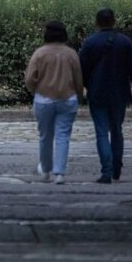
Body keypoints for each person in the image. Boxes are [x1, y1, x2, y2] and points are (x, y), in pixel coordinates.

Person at [79, 8, 132, 184]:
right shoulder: (125, 42)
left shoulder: (90, 43)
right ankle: (116, 166)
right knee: (116, 130)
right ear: (114, 21)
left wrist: (85, 87)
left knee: (101, 131)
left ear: (97, 22)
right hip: (119, 92)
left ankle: (106, 171)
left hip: (97, 92)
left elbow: (81, 69)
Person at [24, 20, 84, 185]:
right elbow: (79, 79)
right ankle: (60, 173)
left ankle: (45, 170)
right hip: (67, 99)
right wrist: (79, 95)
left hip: (43, 99)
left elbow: (30, 78)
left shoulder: (40, 53)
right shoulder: (71, 54)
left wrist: (34, 90)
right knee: (63, 136)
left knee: (45, 136)